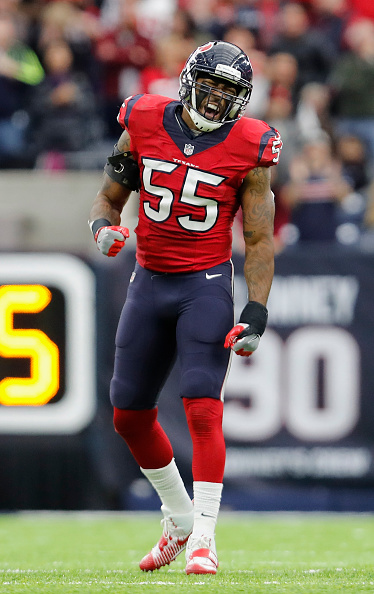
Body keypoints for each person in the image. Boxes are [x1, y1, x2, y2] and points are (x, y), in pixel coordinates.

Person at [88, 40, 282, 575]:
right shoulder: (144, 117)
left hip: (205, 282)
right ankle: (177, 517)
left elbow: (260, 239)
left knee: (201, 404)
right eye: (213, 86)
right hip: (149, 279)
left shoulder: (251, 144)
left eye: (230, 91)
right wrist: (103, 228)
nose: (218, 99)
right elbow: (108, 198)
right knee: (128, 413)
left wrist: (256, 310)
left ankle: (204, 538)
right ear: (189, 80)